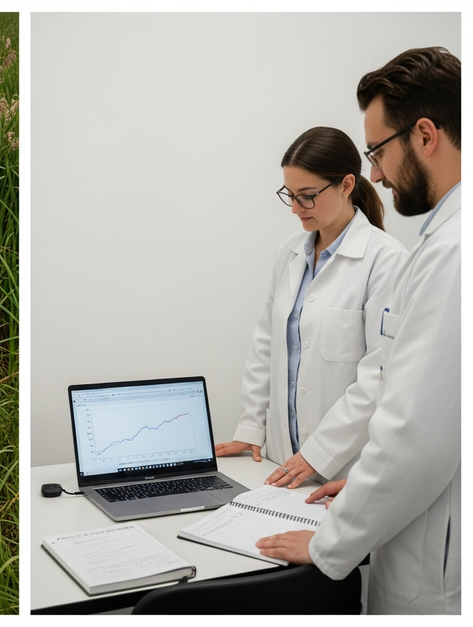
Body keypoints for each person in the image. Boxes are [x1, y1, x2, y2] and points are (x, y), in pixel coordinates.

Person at [257, 47, 461, 615]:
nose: (376, 172)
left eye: (377, 151)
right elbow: (266, 347)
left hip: (432, 551)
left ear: (425, 135)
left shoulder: (445, 253)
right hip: (368, 491)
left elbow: (412, 429)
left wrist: (332, 540)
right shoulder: (442, 242)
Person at [215, 128, 408, 489]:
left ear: (347, 184)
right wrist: (251, 427)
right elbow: (266, 345)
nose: (294, 208)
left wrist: (318, 452)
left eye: (307, 196)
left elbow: (379, 376)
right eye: (289, 195)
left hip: (344, 469)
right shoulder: (290, 252)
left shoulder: (386, 260)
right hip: (279, 460)